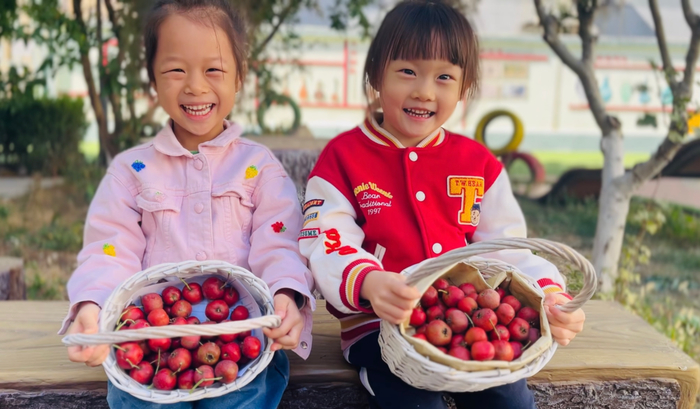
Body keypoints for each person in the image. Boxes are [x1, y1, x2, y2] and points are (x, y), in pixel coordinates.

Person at [298, 1, 585, 408]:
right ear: (375, 73)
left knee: (510, 400)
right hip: (379, 329)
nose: (424, 91)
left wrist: (550, 295)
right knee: (416, 401)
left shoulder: (478, 164)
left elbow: (507, 251)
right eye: (408, 71)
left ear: (464, 87)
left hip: (469, 324)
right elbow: (325, 239)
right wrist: (368, 282)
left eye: (444, 77)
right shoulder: (344, 158)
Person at [60, 1, 315, 407]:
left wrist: (288, 296)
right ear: (153, 81)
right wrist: (93, 307)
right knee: (134, 401)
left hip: (242, 343)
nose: (195, 86)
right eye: (176, 70)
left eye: (213, 70)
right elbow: (109, 249)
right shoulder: (132, 171)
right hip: (150, 349)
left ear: (239, 78)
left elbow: (281, 242)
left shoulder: (260, 168)